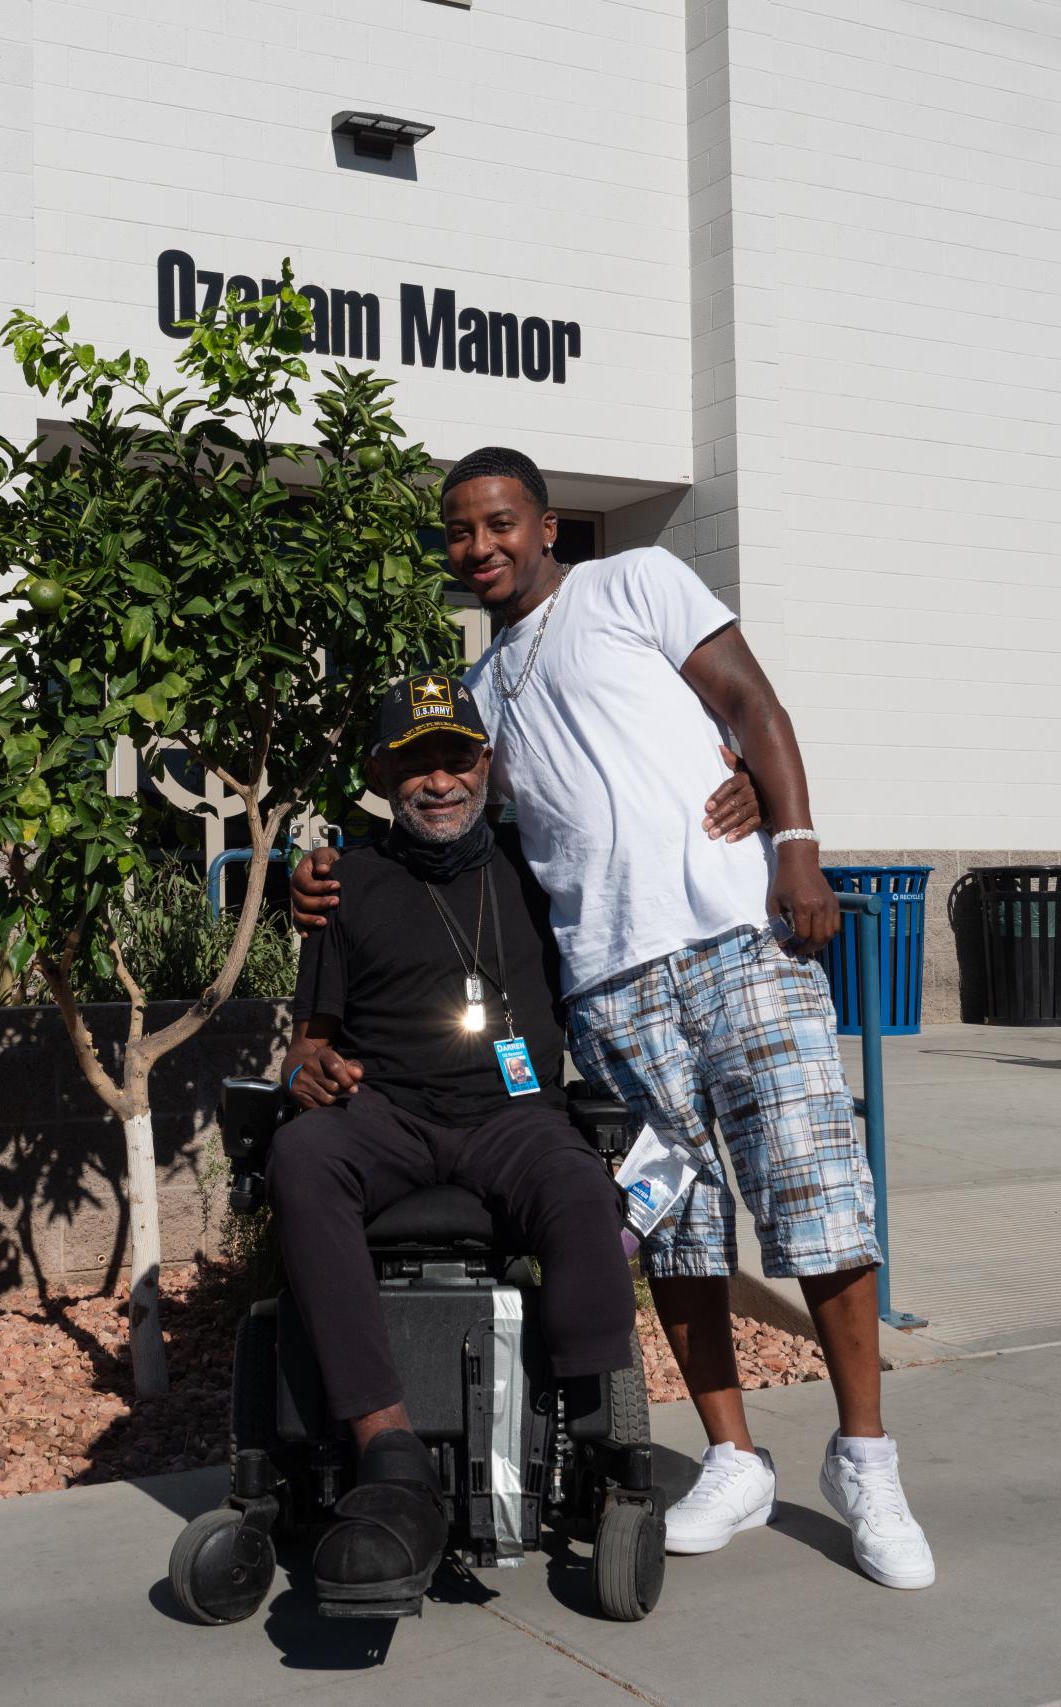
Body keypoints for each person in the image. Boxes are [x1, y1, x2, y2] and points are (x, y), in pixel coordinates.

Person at [294, 448, 935, 1593]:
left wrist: (792, 843)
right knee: (678, 1226)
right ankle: (731, 1456)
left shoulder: (632, 580)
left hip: (735, 938)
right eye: (457, 532)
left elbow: (747, 700)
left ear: (544, 526)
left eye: (497, 523)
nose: (478, 546)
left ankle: (864, 1461)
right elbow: (439, 835)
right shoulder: (481, 697)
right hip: (606, 989)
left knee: (816, 1196)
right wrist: (318, 880)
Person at [273, 670, 758, 1613]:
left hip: (514, 1115)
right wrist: (308, 1071)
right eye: (417, 763)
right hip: (392, 1113)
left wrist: (765, 789)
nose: (440, 781)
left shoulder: (538, 864)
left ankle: (598, 1440)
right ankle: (387, 1443)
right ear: (383, 775)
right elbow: (310, 1043)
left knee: (582, 1189)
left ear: (487, 765)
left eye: (457, 756)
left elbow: (655, 823)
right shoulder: (344, 878)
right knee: (300, 1156)